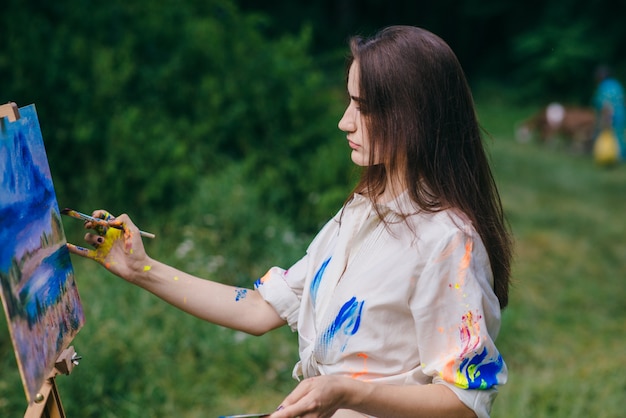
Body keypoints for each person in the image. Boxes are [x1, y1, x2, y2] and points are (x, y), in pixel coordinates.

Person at [68, 26, 513, 418]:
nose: (344, 122)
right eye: (349, 103)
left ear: (413, 115)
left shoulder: (449, 242)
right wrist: (141, 268)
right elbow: (262, 309)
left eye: (364, 107)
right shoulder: (361, 210)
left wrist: (344, 391)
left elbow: (464, 403)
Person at [592, 65, 626, 161]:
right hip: (622, 114)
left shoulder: (603, 87)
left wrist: (605, 119)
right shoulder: (617, 84)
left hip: (610, 115)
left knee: (608, 135)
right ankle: (622, 156)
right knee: (621, 136)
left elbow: (604, 105)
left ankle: (611, 156)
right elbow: (623, 100)